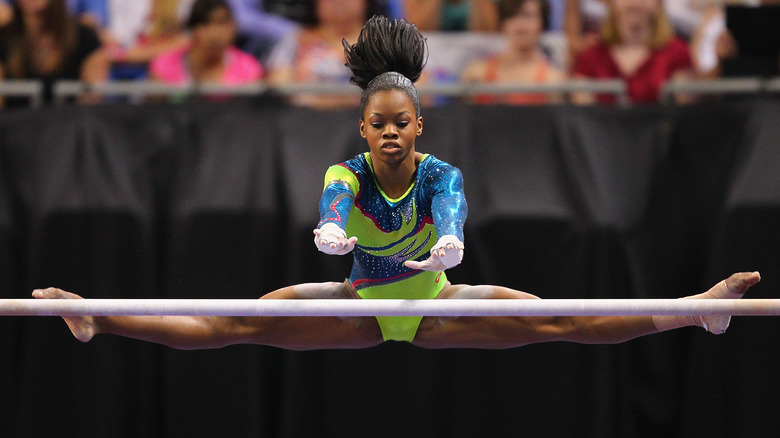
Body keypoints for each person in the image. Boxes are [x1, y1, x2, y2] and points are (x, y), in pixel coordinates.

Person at [33, 15, 761, 350]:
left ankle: (692, 310)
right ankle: (100, 315)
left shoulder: (442, 174)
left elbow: (451, 214)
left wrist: (448, 244)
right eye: (376, 123)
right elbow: (334, 205)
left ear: (418, 127)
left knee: (561, 320)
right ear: (363, 128)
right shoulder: (344, 174)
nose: (387, 132)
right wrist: (328, 228)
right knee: (231, 323)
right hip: (350, 305)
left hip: (441, 305)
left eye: (400, 122)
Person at [571, 0, 694, 104]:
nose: (634, 3)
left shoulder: (677, 52)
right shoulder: (591, 55)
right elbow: (582, 116)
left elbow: (684, 112)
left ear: (658, 4)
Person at [0, 0, 109, 107]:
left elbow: (91, 103)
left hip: (72, 122)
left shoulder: (85, 39)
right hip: (16, 122)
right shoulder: (5, 39)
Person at [461, 0, 567, 105]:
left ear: (542, 23)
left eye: (528, 16)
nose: (521, 25)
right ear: (503, 23)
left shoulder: (553, 80)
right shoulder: (476, 74)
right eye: (513, 16)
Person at [149, 0, 263, 87]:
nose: (215, 34)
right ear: (192, 29)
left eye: (222, 23)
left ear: (234, 26)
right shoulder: (163, 67)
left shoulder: (249, 69)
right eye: (206, 24)